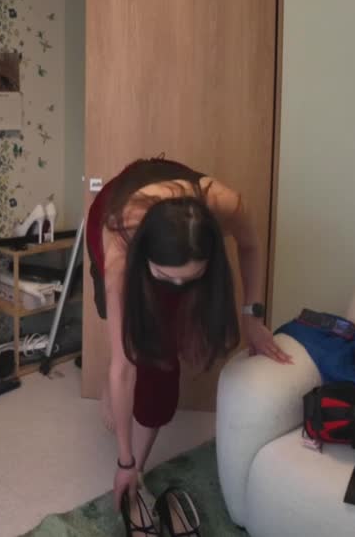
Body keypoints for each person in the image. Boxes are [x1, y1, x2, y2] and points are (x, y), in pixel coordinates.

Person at [86, 157, 292, 521]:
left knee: (161, 358)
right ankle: (116, 393)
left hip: (165, 234)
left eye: (191, 278)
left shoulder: (227, 204)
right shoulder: (119, 238)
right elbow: (124, 367)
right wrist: (122, 460)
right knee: (128, 346)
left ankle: (140, 475)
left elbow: (250, 246)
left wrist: (252, 317)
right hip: (112, 213)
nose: (178, 288)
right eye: (167, 278)